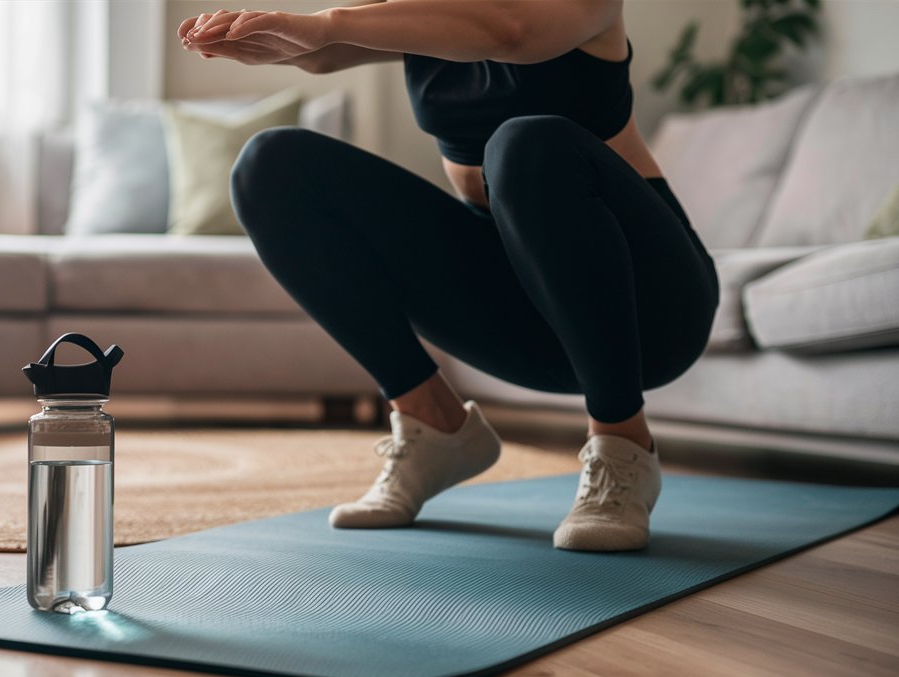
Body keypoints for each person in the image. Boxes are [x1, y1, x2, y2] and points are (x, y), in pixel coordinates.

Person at [178, 0, 719, 552]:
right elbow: (325, 54)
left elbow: (511, 30)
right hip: (518, 314)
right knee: (271, 164)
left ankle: (623, 445)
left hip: (647, 307)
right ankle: (431, 423)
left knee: (523, 143)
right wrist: (269, 37)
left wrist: (323, 25)